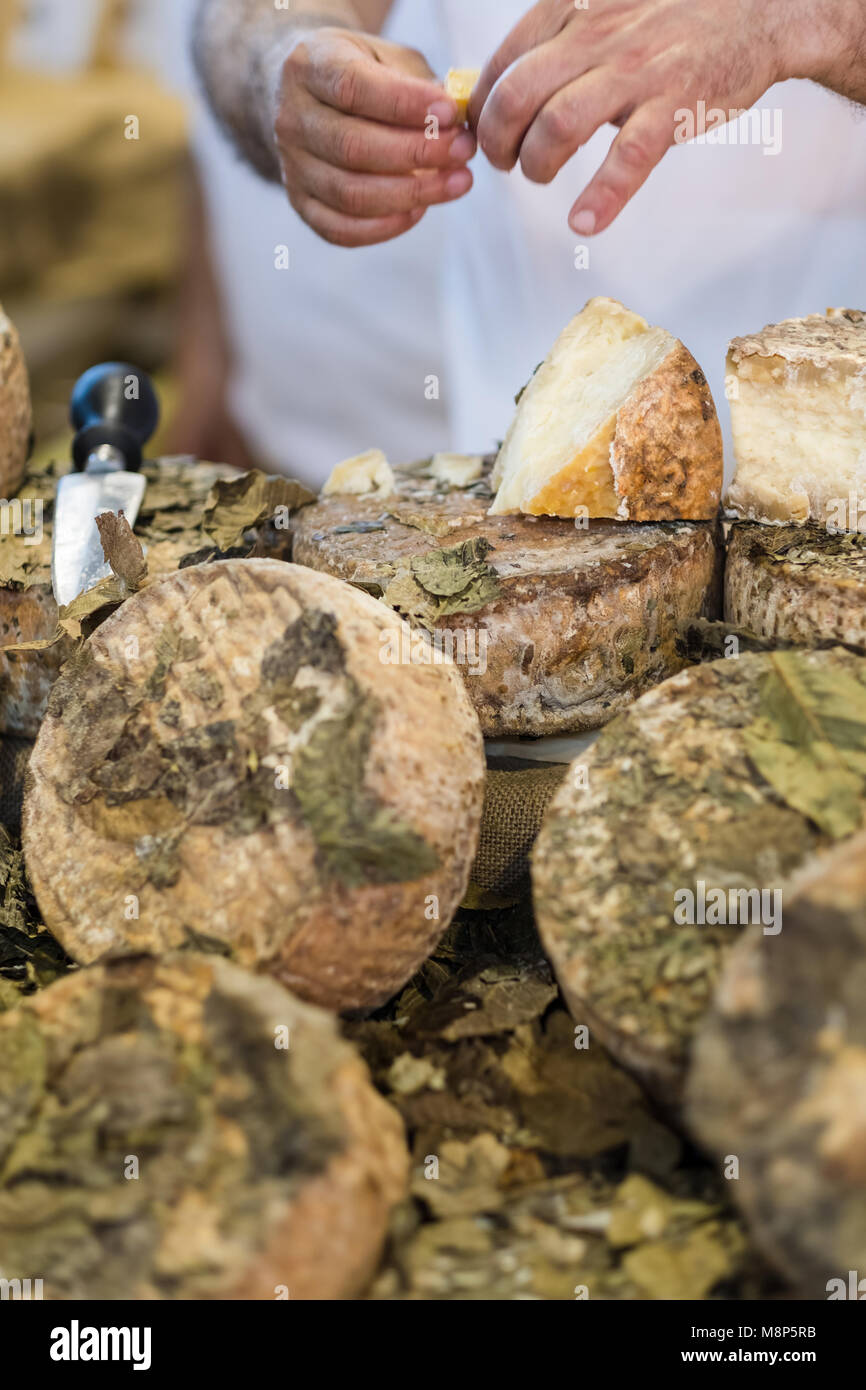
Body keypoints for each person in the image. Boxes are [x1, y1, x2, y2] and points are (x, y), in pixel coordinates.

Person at [180, 0, 866, 485]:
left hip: (833, 493)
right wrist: (285, 70)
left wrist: (799, 17)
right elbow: (249, 15)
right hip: (529, 513)